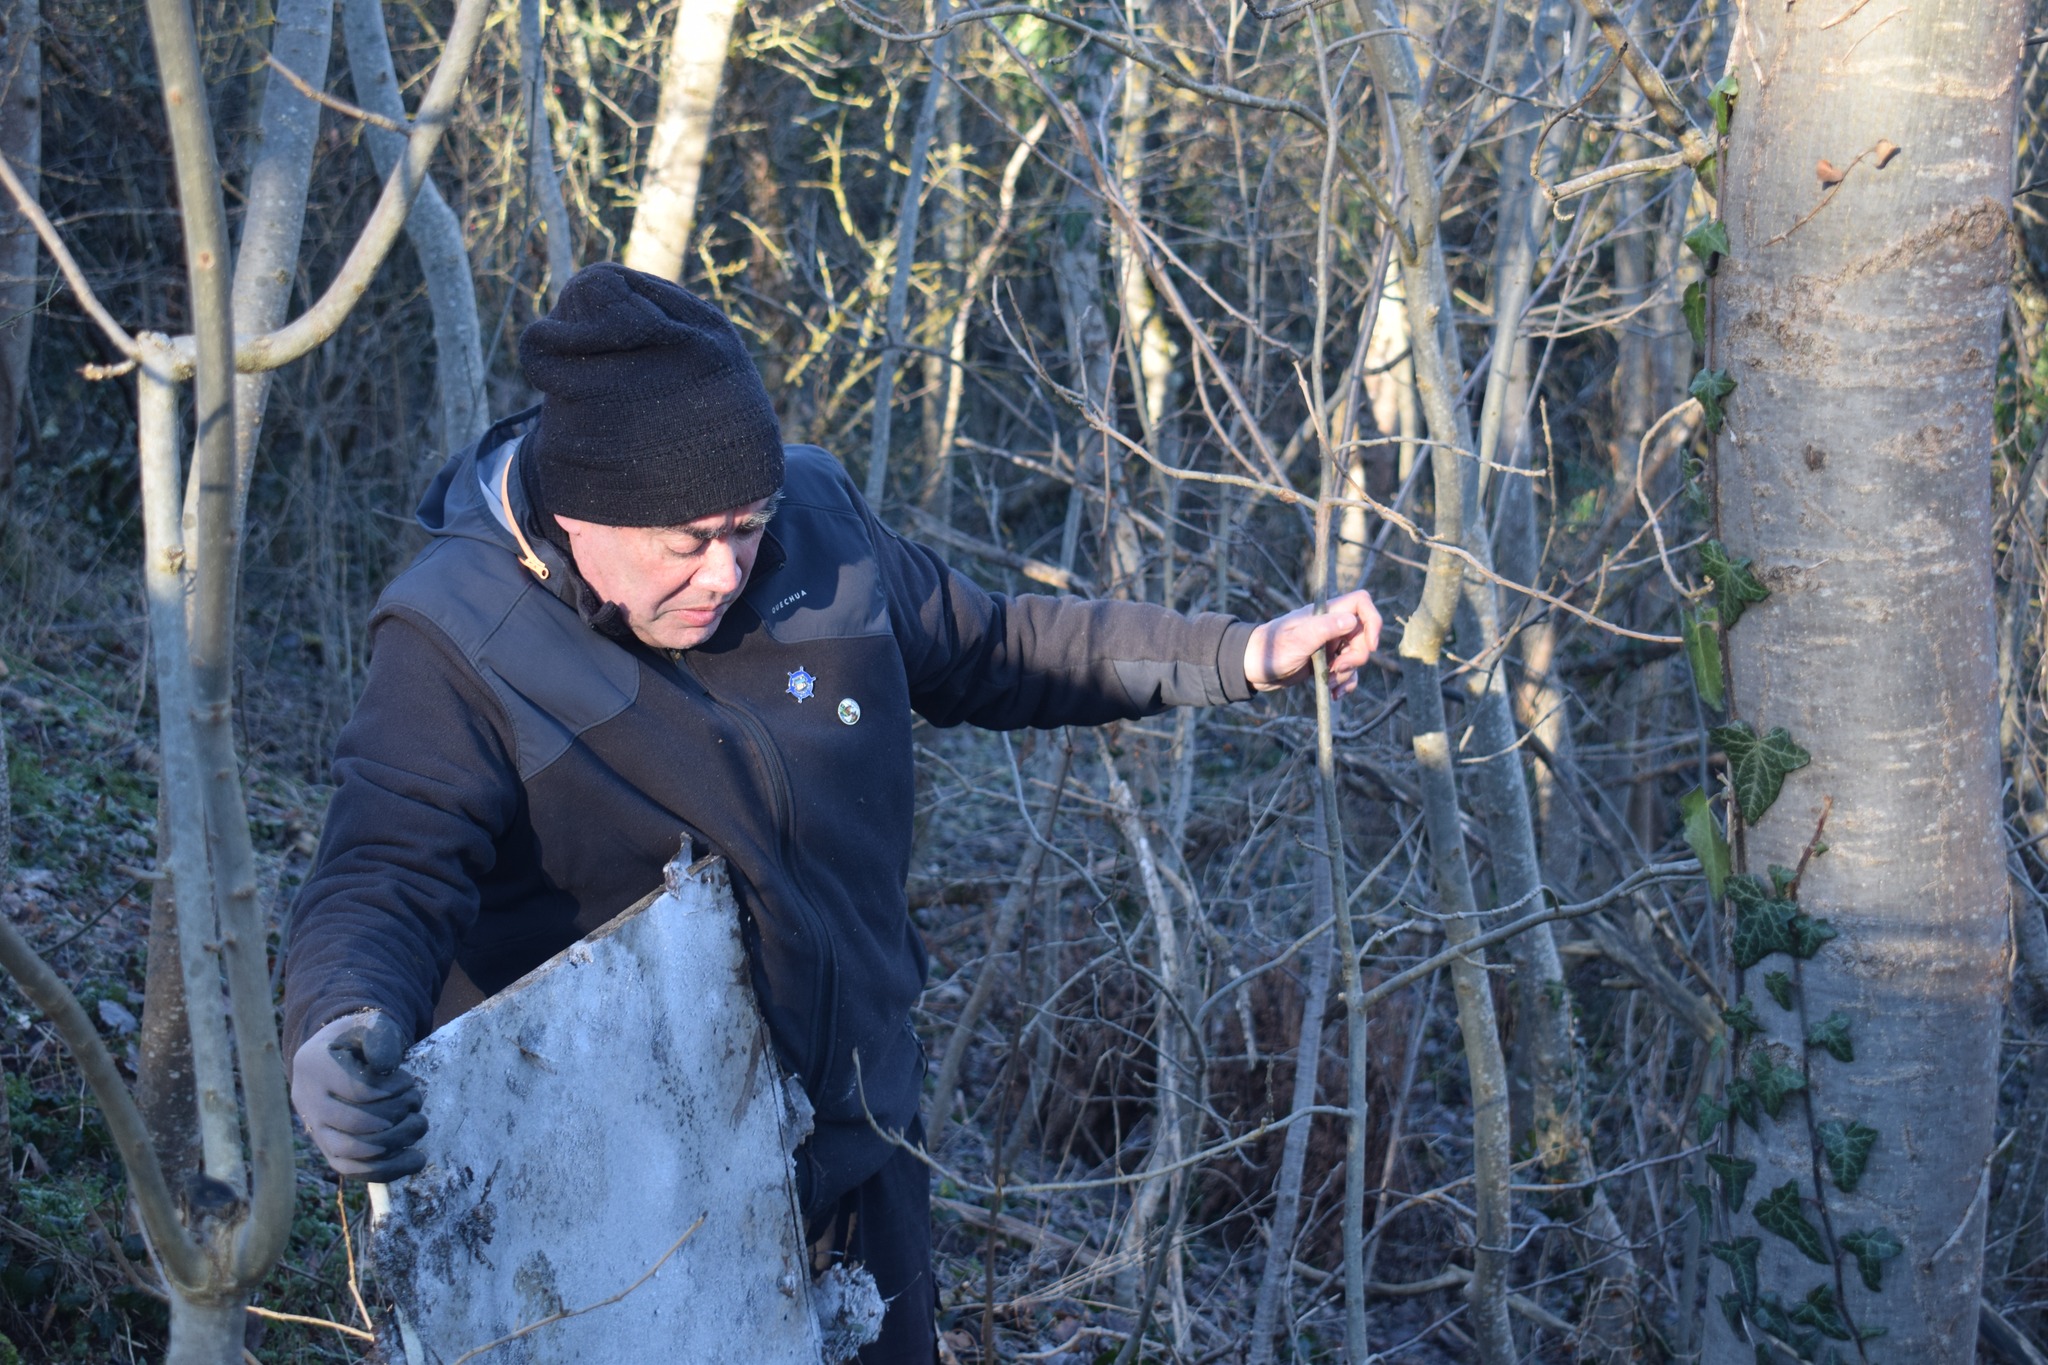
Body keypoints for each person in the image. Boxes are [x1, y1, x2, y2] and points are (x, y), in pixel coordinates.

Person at [282, 262, 1380, 1362]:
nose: (726, 572)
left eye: (745, 527)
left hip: (857, 1140)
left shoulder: (820, 527)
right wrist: (338, 1025)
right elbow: (385, 870)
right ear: (579, 511)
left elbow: (995, 645)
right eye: (687, 542)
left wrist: (1242, 652)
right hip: (623, 1199)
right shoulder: (457, 639)